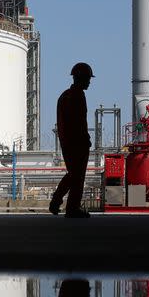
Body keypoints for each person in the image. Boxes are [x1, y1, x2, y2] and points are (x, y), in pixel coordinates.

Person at [50, 63, 94, 218]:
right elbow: (79, 121)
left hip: (67, 141)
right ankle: (71, 208)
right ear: (80, 78)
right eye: (88, 79)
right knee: (77, 176)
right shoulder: (77, 95)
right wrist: (85, 139)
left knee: (73, 174)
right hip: (77, 142)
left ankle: (59, 201)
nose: (89, 82)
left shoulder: (64, 95)